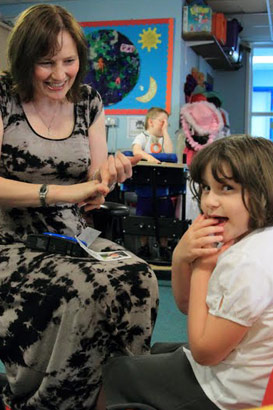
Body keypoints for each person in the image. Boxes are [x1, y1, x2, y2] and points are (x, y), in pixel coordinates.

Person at [0, 4, 158, 410]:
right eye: (45, 62)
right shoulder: (3, 96)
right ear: (23, 60)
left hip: (71, 235)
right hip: (10, 239)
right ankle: (51, 401)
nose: (59, 74)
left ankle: (113, 397)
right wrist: (58, 193)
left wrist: (110, 177)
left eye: (68, 61)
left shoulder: (88, 101)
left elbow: (95, 184)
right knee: (85, 288)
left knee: (140, 279)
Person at [101, 135, 273, 410]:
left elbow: (205, 353)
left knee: (117, 371)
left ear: (264, 193)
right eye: (206, 188)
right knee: (157, 349)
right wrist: (181, 257)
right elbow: (188, 305)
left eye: (226, 188)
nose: (210, 202)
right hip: (248, 378)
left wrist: (202, 269)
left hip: (226, 394)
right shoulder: (251, 239)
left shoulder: (247, 260)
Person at [132, 107, 174, 261]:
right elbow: (136, 150)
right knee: (144, 218)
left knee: (164, 219)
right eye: (162, 122)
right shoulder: (143, 136)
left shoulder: (164, 139)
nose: (165, 125)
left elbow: (170, 153)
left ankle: (164, 247)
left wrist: (165, 132)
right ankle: (144, 247)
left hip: (162, 190)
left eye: (166, 123)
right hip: (145, 189)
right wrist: (149, 157)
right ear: (151, 121)